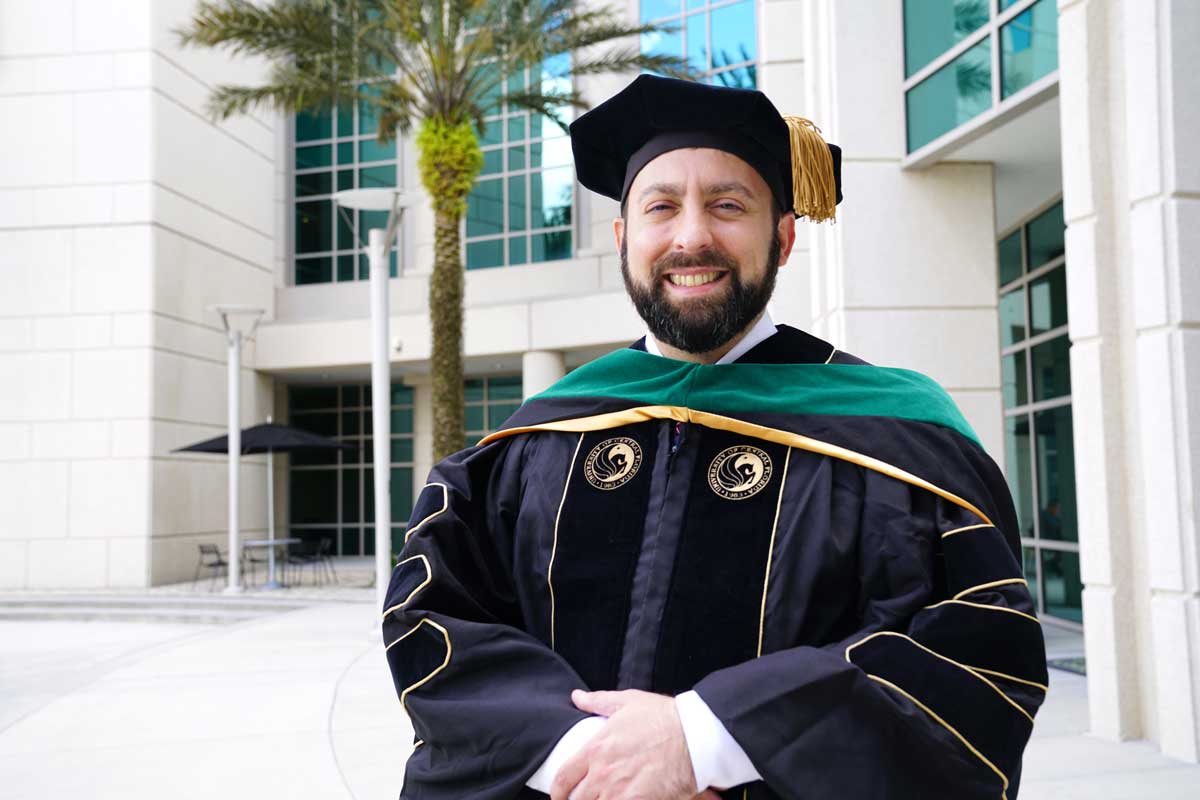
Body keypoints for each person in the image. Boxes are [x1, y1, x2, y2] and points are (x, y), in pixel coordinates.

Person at [382, 75, 1047, 800]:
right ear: (623, 238)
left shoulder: (900, 440)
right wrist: (587, 759)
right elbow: (437, 617)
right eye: (660, 207)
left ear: (783, 237)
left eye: (728, 206)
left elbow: (974, 656)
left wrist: (706, 741)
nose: (691, 236)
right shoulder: (532, 443)